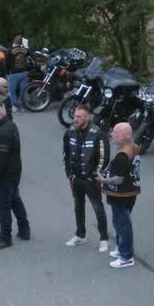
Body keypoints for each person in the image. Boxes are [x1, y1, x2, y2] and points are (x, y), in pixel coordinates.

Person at [0, 105, 30, 250]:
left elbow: (0, 159)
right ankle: (24, 230)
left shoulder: (3, 132)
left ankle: (5, 238)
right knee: (15, 200)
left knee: (2, 207)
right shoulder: (8, 125)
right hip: (12, 173)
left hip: (5, 175)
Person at [63, 104, 110, 251]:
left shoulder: (98, 133)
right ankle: (80, 235)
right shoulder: (70, 131)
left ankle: (104, 239)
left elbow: (104, 158)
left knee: (98, 208)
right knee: (78, 206)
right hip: (76, 178)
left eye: (79, 117)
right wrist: (69, 174)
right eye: (75, 116)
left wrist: (95, 175)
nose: (75, 119)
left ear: (87, 117)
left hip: (91, 180)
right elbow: (66, 154)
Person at [98, 122, 140, 268]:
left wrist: (102, 179)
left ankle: (126, 257)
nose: (112, 134)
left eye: (115, 132)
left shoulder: (123, 155)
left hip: (121, 195)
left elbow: (118, 179)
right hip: (131, 192)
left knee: (123, 225)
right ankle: (121, 248)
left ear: (125, 136)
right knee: (120, 222)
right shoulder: (133, 147)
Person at [7, 35, 30, 110]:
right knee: (23, 90)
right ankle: (24, 106)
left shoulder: (10, 50)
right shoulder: (25, 50)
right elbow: (30, 54)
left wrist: (7, 72)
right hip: (24, 72)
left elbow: (7, 63)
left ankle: (14, 106)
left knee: (12, 90)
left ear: (14, 41)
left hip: (14, 73)